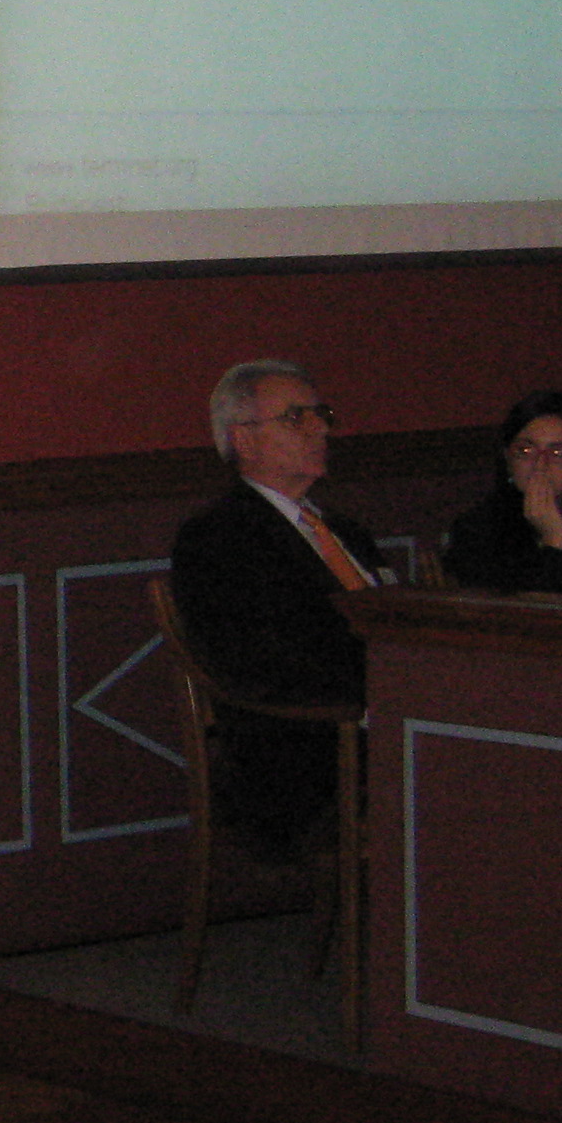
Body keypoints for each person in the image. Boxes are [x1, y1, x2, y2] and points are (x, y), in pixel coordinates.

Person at [169, 359, 385, 862]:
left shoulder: (344, 531)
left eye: (320, 414)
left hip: (383, 718)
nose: (319, 429)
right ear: (243, 439)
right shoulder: (220, 536)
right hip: (304, 747)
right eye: (295, 418)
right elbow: (258, 661)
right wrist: (378, 696)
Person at [441, 390, 562, 594]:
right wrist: (553, 541)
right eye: (525, 451)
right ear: (507, 458)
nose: (540, 465)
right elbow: (524, 611)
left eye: (558, 453)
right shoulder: (478, 530)